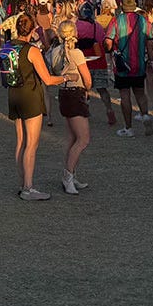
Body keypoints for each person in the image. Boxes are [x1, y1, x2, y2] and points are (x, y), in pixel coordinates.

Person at [2, 14, 68, 200]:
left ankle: (22, 182)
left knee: (21, 142)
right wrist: (66, 78)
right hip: (30, 96)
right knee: (32, 144)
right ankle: (28, 188)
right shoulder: (31, 50)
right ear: (32, 31)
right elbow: (47, 79)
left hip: (14, 94)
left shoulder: (8, 46)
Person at [103, 0, 153, 138]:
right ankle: (146, 116)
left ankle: (128, 128)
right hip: (139, 64)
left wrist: (108, 50)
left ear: (122, 6)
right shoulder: (143, 20)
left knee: (125, 95)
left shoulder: (116, 21)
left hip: (122, 66)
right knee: (140, 93)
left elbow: (108, 43)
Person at [53, 20, 92, 195]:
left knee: (72, 137)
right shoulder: (76, 53)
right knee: (83, 139)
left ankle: (72, 174)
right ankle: (68, 175)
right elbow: (87, 78)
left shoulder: (55, 52)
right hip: (76, 93)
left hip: (63, 93)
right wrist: (88, 89)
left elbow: (55, 71)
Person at [75, 2, 116, 126]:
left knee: (83, 88)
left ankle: (84, 111)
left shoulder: (76, 25)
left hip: (82, 61)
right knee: (102, 89)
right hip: (98, 60)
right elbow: (103, 41)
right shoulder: (97, 26)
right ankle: (109, 110)